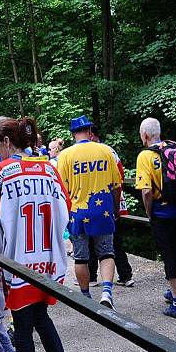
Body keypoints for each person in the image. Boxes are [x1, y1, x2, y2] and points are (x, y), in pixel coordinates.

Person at [0, 117, 78, 352]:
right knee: (40, 318)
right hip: (48, 260)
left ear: (8, 142)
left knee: (22, 324)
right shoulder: (50, 169)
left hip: (18, 260)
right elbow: (66, 212)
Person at [57, 115, 122, 309]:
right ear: (90, 132)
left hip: (77, 212)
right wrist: (116, 209)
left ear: (73, 134)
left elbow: (61, 189)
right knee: (106, 253)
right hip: (103, 210)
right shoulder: (106, 151)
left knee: (81, 256)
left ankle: (85, 297)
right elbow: (116, 185)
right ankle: (107, 292)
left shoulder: (65, 156)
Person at [135, 117, 176, 319]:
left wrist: (149, 213)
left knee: (169, 254)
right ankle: (173, 288)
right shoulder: (174, 147)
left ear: (144, 135)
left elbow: (146, 191)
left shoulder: (145, 156)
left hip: (164, 212)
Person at [87, 124, 134, 288]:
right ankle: (125, 275)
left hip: (94, 201)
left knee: (92, 239)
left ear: (91, 135)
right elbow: (119, 177)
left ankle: (91, 277)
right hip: (112, 200)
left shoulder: (87, 153)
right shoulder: (110, 151)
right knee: (115, 239)